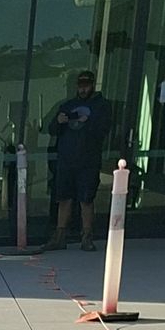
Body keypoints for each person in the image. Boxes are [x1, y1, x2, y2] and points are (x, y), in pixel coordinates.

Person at [45, 70, 115, 249]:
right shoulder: (68, 105)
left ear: (92, 85)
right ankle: (60, 236)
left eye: (86, 86)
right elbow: (51, 129)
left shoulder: (102, 106)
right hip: (67, 160)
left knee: (86, 199)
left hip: (88, 161)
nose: (83, 89)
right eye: (80, 86)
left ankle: (87, 236)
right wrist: (59, 121)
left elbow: (104, 129)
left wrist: (88, 121)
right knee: (64, 198)